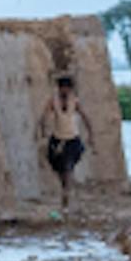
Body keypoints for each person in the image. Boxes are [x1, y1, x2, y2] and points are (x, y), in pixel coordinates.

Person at [39, 74, 96, 213]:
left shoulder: (75, 101)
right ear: (59, 89)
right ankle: (66, 188)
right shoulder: (53, 101)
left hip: (72, 139)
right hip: (58, 139)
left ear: (70, 89)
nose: (64, 91)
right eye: (62, 88)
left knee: (68, 166)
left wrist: (91, 135)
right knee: (57, 167)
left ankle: (66, 198)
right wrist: (43, 130)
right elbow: (44, 117)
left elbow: (86, 117)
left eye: (66, 88)